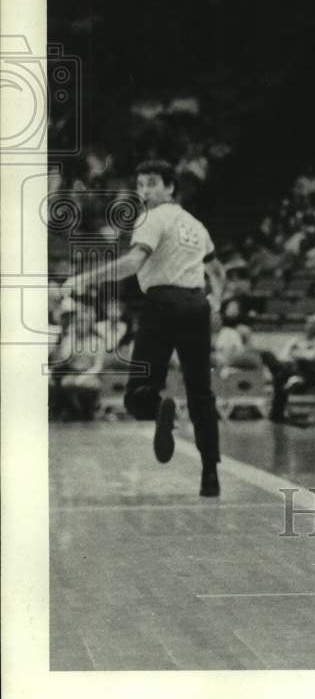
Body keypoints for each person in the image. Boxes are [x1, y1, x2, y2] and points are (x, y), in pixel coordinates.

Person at [62, 160, 226, 497]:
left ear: (169, 187)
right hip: (197, 306)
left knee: (137, 395)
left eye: (152, 183)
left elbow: (133, 262)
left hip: (161, 304)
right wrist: (218, 304)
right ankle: (210, 474)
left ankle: (160, 407)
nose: (145, 190)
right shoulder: (196, 225)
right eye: (140, 184)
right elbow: (219, 273)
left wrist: (84, 278)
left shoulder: (151, 218)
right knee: (202, 394)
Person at [260, 313, 315, 422]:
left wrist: (297, 354)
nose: (310, 326)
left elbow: (314, 358)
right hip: (290, 369)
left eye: (314, 324)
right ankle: (293, 378)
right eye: (308, 323)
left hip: (309, 375)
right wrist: (296, 356)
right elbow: (283, 356)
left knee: (283, 374)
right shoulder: (295, 340)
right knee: (268, 356)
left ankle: (277, 414)